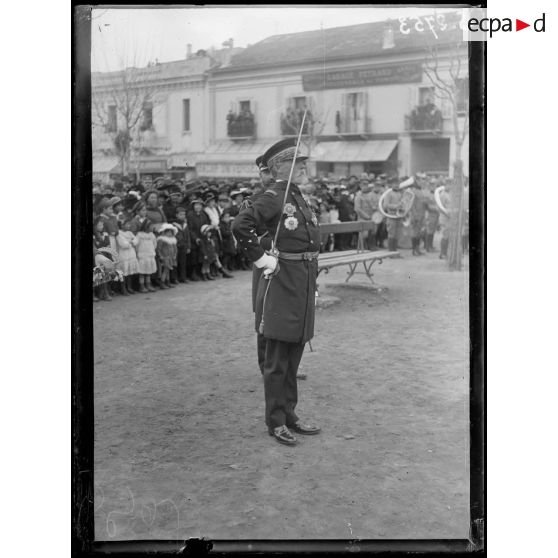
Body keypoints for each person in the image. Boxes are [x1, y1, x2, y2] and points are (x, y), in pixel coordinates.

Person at [232, 138, 321, 446]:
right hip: (282, 283)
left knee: (293, 356)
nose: (305, 168)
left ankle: (291, 415)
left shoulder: (297, 196)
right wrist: (262, 258)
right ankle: (276, 421)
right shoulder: (275, 196)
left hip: (301, 282)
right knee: (277, 360)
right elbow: (240, 225)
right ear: (283, 167)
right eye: (300, 163)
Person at [116, 219, 140, 295]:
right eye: (127, 224)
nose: (129, 226)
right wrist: (131, 242)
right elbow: (123, 244)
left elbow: (136, 240)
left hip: (131, 254)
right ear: (122, 225)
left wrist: (131, 242)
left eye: (129, 224)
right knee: (124, 273)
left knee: (130, 273)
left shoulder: (130, 233)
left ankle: (129, 287)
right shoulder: (119, 234)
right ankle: (123, 289)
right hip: (124, 255)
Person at [135, 219, 158, 292]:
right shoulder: (139, 235)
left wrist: (151, 250)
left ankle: (148, 284)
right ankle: (142, 286)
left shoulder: (152, 235)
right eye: (150, 226)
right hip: (142, 255)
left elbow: (155, 244)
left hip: (150, 255)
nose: (152, 228)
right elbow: (136, 244)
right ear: (146, 227)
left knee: (148, 272)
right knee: (142, 272)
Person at [172, 206, 191, 284]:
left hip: (184, 245)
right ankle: (174, 278)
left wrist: (188, 246)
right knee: (175, 263)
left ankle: (183, 277)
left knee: (183, 262)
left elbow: (188, 236)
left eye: (184, 214)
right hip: (176, 246)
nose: (182, 216)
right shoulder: (173, 225)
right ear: (176, 215)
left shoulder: (185, 225)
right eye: (180, 214)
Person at [384, 178, 404, 252]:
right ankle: (391, 252)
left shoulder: (399, 193)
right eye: (395, 184)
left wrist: (402, 206)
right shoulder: (388, 193)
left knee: (397, 234)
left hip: (398, 216)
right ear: (391, 184)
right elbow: (385, 205)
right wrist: (396, 206)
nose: (396, 185)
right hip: (391, 216)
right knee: (391, 234)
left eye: (398, 184)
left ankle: (395, 251)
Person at [156, 224, 178, 289]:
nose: (170, 234)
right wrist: (161, 256)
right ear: (164, 232)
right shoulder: (162, 240)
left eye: (171, 232)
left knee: (168, 270)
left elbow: (175, 248)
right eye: (168, 232)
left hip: (171, 257)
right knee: (165, 270)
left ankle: (167, 282)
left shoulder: (173, 240)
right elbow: (159, 249)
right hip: (165, 257)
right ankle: (162, 283)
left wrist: (174, 255)